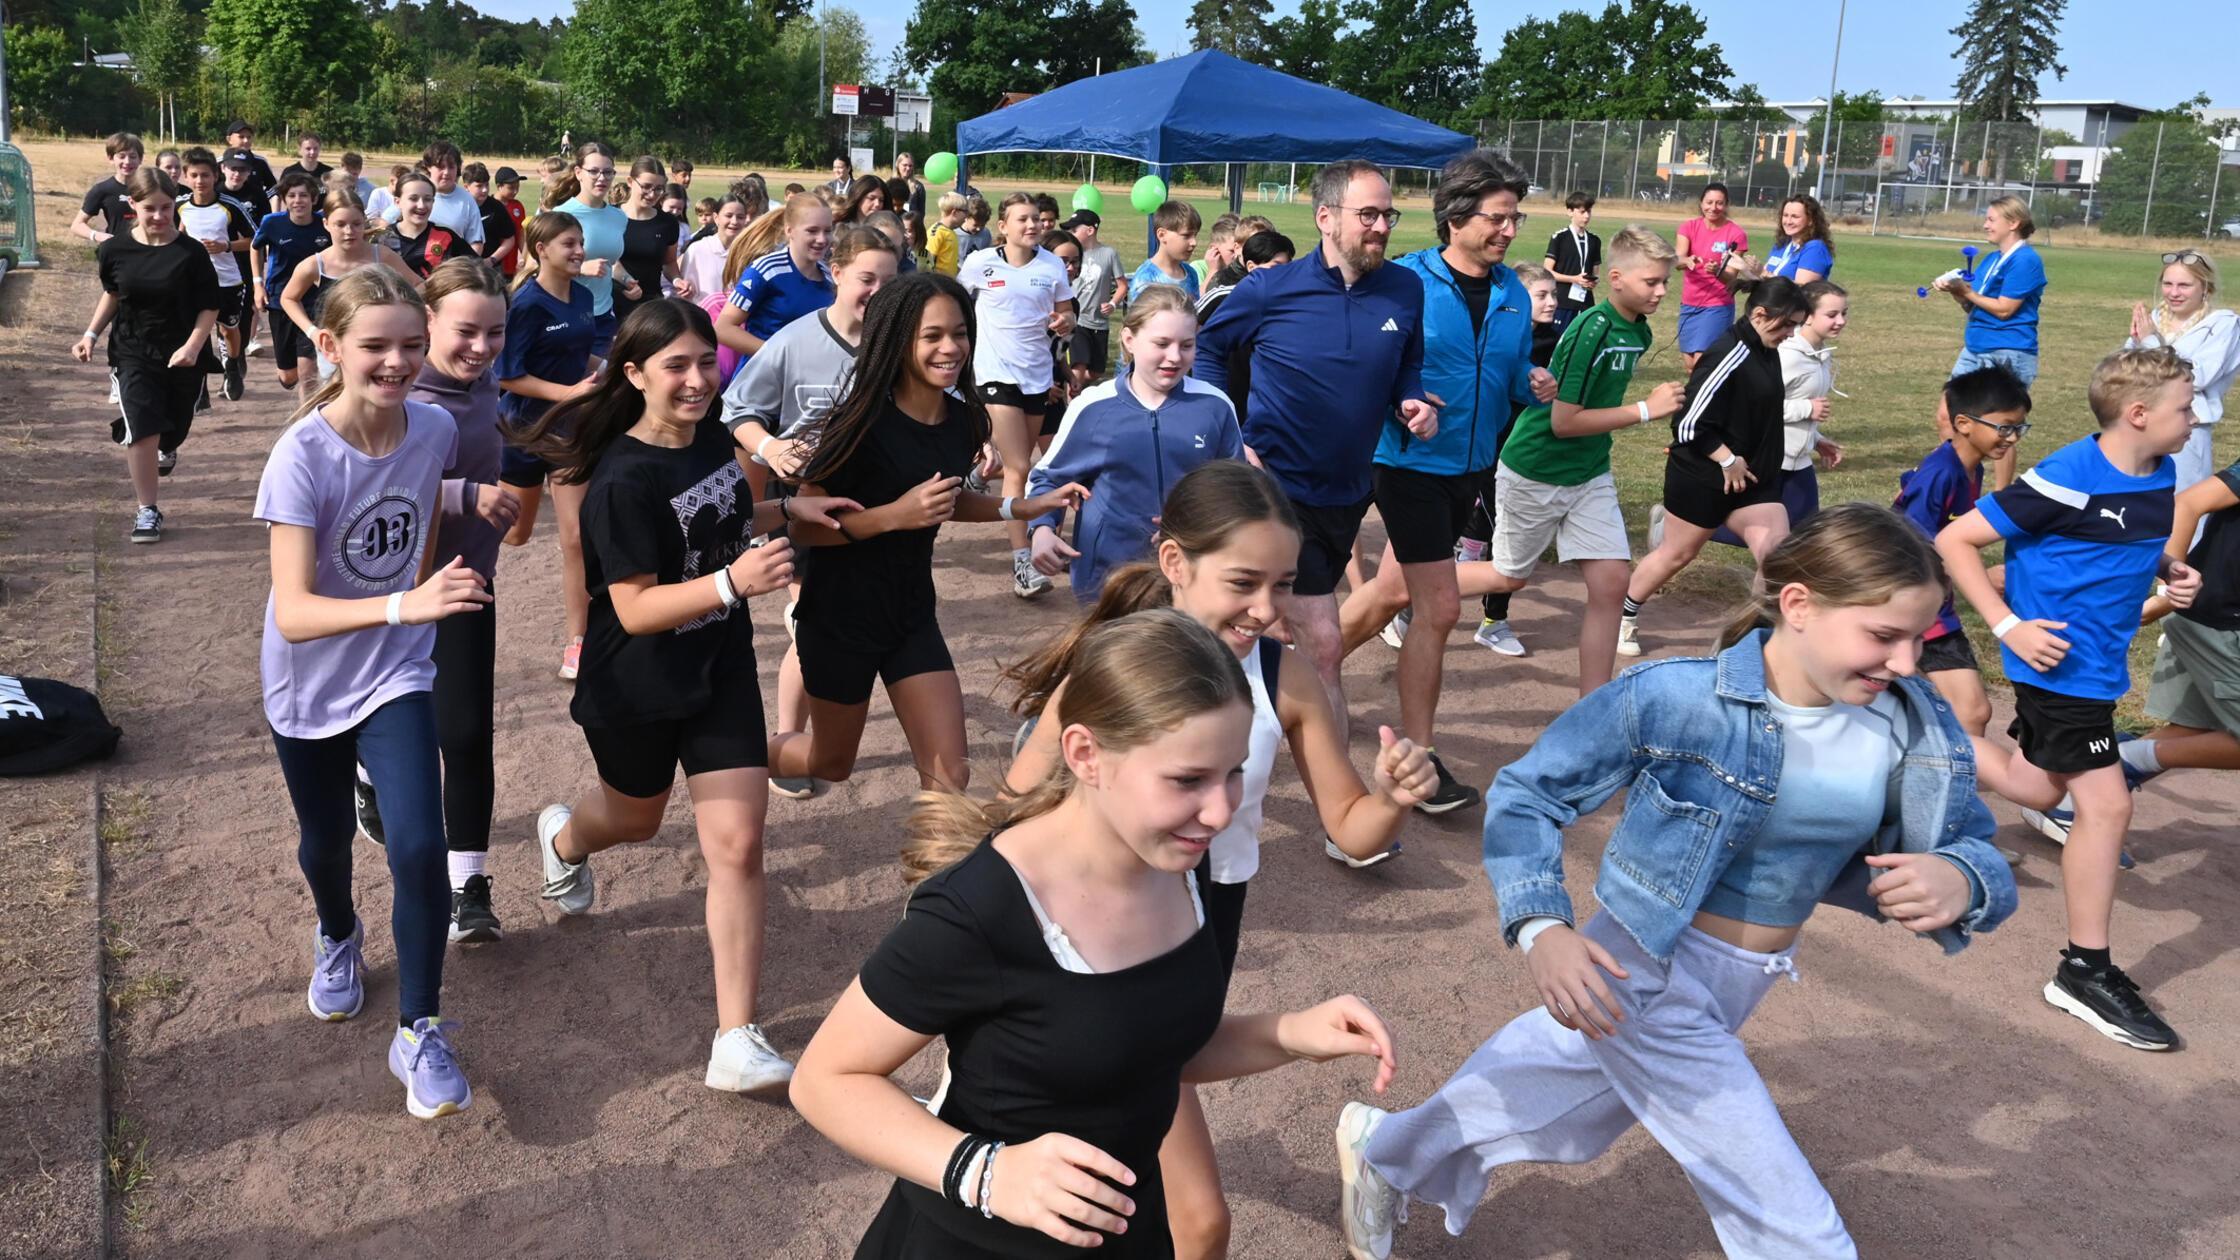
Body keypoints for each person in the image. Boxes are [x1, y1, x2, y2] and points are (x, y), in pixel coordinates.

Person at [1335, 503, 2017, 1260]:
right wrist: (1543, 930)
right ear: (1798, 605)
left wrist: (1961, 877)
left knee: (1559, 1099)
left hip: (1741, 980)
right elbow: (1529, 794)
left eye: (1917, 640)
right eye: (1884, 636)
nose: (1906, 663)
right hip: (1645, 973)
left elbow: (1974, 845)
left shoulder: (1911, 721)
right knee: (1788, 1219)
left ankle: (1384, 1151)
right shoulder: (1678, 698)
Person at [791, 606, 1400, 1259]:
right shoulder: (983, 907)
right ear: (1085, 754)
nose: (1221, 810)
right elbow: (825, 1078)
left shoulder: (1178, 862)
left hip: (1127, 1234)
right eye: (1188, 779)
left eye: (1234, 772)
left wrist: (1289, 1034)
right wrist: (988, 1173)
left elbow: (1146, 1048)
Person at [1007, 467, 1437, 1258]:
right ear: (1175, 563)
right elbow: (1016, 803)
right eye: (1243, 582)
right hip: (1092, 934)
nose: (1267, 608)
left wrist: (1393, 796)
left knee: (1166, 1203)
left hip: (1200, 933)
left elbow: (1352, 827)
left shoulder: (1281, 674)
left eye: (1283, 584)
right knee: (1191, 1220)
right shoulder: (1114, 668)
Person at [524, 298, 855, 1093]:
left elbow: (718, 520)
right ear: (634, 374)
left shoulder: (710, 437)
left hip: (717, 669)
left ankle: (735, 1038)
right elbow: (635, 608)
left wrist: (786, 509)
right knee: (633, 820)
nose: (698, 379)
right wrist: (734, 582)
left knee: (738, 845)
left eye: (706, 362)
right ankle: (565, 840)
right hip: (634, 683)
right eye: (676, 366)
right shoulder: (620, 479)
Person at [254, 266, 492, 1119]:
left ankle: (418, 1028)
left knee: (420, 848)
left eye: (411, 346)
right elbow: (293, 613)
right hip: (309, 681)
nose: (397, 362)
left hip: (396, 670)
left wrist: (468, 494)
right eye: (375, 347)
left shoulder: (434, 426)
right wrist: (406, 602)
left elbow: (415, 495)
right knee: (324, 845)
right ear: (330, 346)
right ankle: (338, 933)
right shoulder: (299, 456)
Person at [1937, 347, 2200, 1052]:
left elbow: (2125, 540)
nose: (2196, 417)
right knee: (2107, 806)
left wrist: (2169, 568)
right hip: (2056, 666)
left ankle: (1914, 734)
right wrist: (2008, 627)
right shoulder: (2067, 477)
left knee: (2035, 785)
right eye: (2185, 406)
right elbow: (1956, 540)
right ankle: (2084, 971)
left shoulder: (2161, 469)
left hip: (2097, 667)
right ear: (2138, 414)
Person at [766, 273, 1086, 794]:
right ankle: (732, 758)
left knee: (950, 775)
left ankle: (936, 856)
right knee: (831, 762)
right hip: (840, 621)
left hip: (911, 616)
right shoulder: (856, 425)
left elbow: (945, 502)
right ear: (897, 340)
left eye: (959, 333)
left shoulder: (963, 420)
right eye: (932, 336)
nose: (951, 347)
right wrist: (893, 515)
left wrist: (1021, 506)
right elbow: (805, 528)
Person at [1334, 149, 1557, 814]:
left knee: (1389, 593)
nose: (1509, 230)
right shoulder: (1404, 282)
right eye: (1497, 218)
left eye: (1515, 218)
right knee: (1439, 609)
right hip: (1408, 464)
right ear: (1456, 217)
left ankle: (1289, 670)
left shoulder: (1513, 293)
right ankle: (1419, 756)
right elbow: (1363, 367)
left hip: (1472, 467)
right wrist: (1403, 406)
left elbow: (1508, 376)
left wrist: (1532, 383)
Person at [1195, 160, 1436, 728]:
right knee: (1324, 641)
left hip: (1349, 493)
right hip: (1276, 491)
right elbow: (1207, 350)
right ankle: (1333, 785)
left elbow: (1408, 364)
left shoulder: (1404, 288)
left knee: (1268, 629)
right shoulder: (1270, 289)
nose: (1381, 227)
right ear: (1325, 218)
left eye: (1389, 215)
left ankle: (1226, 713)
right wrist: (1228, 432)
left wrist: (1412, 401)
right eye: (1368, 215)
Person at [343, 260, 523, 942]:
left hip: (467, 582)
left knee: (468, 734)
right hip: (390, 593)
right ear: (428, 320)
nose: (481, 347)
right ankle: (365, 769)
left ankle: (467, 888)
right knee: (401, 725)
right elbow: (365, 486)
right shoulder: (399, 393)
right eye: (466, 332)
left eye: (495, 333)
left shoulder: (485, 386)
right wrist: (463, 495)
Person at [1450, 224, 1682, 695]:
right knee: (1508, 576)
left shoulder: (1638, 330)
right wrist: (1645, 410)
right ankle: (1406, 588)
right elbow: (1563, 421)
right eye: (1651, 282)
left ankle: (1593, 706)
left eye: (1664, 282)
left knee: (1612, 583)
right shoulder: (1591, 328)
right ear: (1615, 279)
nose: (1661, 292)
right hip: (1536, 469)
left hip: (1589, 472)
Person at [721, 227, 900, 779]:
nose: (877, 292)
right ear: (837, 274)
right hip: (807, 504)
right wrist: (771, 448)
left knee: (851, 620)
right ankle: (788, 738)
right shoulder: (795, 340)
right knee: (811, 625)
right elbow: (738, 409)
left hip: (878, 508)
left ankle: (800, 739)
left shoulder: (901, 343)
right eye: (866, 278)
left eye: (889, 282)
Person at [1617, 277, 1813, 658]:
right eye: (1788, 324)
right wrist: (1727, 459)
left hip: (1752, 480)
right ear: (1760, 315)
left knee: (1777, 557)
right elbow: (1687, 424)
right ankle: (1624, 614)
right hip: (1702, 476)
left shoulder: (1766, 347)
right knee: (1677, 555)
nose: (1791, 333)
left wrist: (1816, 440)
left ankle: (1749, 641)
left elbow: (1761, 410)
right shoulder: (1728, 353)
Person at [1025, 286, 1240, 602]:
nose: (1175, 356)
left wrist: (1198, 527)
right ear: (1129, 340)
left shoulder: (1215, 406)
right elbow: (1047, 479)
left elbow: (1237, 489)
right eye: (1161, 344)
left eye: (1187, 345)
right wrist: (1042, 530)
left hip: (1194, 579)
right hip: (1108, 581)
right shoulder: (1093, 407)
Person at [70, 167, 219, 543]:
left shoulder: (191, 253)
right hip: (133, 351)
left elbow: (209, 305)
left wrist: (192, 346)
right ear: (133, 205)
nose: (159, 216)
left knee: (174, 427)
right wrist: (90, 334)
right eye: (150, 208)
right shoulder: (114, 249)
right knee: (142, 427)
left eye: (166, 208)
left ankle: (168, 446)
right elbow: (113, 294)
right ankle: (147, 509)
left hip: (182, 352)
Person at [1891, 365, 2032, 737]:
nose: (2013, 437)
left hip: (1934, 603)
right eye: (2005, 427)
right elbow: (1909, 543)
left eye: (2019, 427)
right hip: (1911, 604)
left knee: (1971, 711)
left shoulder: (1969, 469)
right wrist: (1978, 576)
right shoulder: (1943, 473)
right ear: (1964, 424)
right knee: (1970, 711)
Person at [498, 211, 603, 681]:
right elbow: (507, 375)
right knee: (515, 534)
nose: (579, 251)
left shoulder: (583, 297)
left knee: (575, 537)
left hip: (570, 432)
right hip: (522, 431)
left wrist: (614, 367)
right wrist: (568, 393)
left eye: (580, 242)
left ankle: (578, 642)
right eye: (569, 244)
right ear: (541, 250)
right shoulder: (525, 304)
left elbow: (579, 354)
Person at [958, 194, 1079, 600]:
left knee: (1018, 467)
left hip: (1036, 377)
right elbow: (955, 303)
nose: (1032, 225)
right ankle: (1023, 564)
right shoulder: (980, 263)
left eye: (1036, 219)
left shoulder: (1052, 265)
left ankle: (977, 476)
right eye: (1022, 219)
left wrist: (1065, 321)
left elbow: (1067, 313)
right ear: (1003, 226)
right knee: (1019, 467)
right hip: (994, 373)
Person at [1454, 261, 1560, 657]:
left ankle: (1475, 598)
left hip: (1526, 452)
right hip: (1487, 447)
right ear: (1518, 298)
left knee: (1499, 526)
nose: (1552, 302)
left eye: (1554, 294)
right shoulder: (1497, 334)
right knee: (1505, 532)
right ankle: (1490, 620)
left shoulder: (1554, 341)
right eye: (1541, 295)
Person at [1698, 279, 1850, 550]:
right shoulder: (1787, 354)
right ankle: (1682, 527)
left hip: (1799, 461)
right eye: (1831, 314)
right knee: (1767, 534)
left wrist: (1816, 440)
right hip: (1771, 459)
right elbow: (1755, 406)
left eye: (1844, 313)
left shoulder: (1820, 354)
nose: (1841, 321)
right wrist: (1806, 409)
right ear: (1808, 316)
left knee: (1803, 535)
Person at [1938, 195, 2046, 489]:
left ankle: (2001, 495)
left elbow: (2005, 309)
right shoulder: (1991, 259)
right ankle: (1957, 483)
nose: (1985, 225)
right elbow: (1974, 306)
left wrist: (1967, 292)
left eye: (1991, 219)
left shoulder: (2026, 260)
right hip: (1975, 347)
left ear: (2014, 223)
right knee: (1948, 416)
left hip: (2009, 350)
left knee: (2001, 427)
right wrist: (1958, 293)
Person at [278, 190, 423, 394]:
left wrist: (407, 317)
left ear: (364, 222)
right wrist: (312, 332)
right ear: (326, 224)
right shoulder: (315, 265)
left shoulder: (382, 256)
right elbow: (288, 298)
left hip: (378, 346)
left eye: (356, 224)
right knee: (334, 400)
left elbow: (418, 285)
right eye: (340, 224)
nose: (349, 231)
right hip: (335, 349)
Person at [2124, 249, 2240, 491]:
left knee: (2181, 502)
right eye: (2168, 284)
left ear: (2205, 287)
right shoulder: (2155, 318)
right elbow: (2126, 371)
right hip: (2141, 425)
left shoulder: (2224, 324)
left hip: (2186, 433)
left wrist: (2149, 343)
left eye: (2184, 285)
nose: (2174, 293)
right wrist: (2136, 344)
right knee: (2136, 500)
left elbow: (2196, 377)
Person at [176, 147, 258, 404]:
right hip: (193, 282)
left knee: (228, 329)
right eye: (194, 175)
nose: (200, 181)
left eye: (205, 175)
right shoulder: (180, 206)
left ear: (215, 176)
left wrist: (226, 246)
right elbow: (176, 235)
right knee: (196, 334)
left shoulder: (229, 205)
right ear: (186, 176)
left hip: (228, 280)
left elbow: (256, 240)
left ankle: (232, 366)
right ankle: (200, 387)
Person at [715, 193, 835, 363]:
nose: (822, 239)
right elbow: (723, 328)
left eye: (827, 231)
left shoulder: (831, 279)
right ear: (789, 230)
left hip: (808, 377)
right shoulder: (766, 271)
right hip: (763, 375)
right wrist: (780, 356)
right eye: (812, 231)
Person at [249, 172, 333, 403]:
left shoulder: (324, 224)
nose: (298, 201)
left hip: (315, 302)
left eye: (303, 195)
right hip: (280, 300)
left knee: (308, 373)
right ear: (284, 199)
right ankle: (290, 376)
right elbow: (255, 248)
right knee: (289, 376)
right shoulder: (272, 223)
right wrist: (258, 284)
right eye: (292, 195)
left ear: (313, 199)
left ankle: (308, 417)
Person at [1674, 183, 1750, 371]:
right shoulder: (1688, 227)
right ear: (1701, 203)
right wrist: (1687, 260)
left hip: (1717, 305)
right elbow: (1677, 260)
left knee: (1702, 362)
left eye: (1719, 203)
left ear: (1726, 205)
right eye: (1709, 202)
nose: (1713, 208)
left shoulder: (1736, 234)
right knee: (1690, 365)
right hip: (1689, 303)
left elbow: (1731, 277)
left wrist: (1717, 272)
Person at [615, 156, 688, 322]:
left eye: (659, 189)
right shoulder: (611, 217)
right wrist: (624, 281)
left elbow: (669, 262)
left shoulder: (668, 223)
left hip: (651, 307)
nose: (652, 194)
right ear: (630, 182)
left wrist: (677, 280)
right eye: (646, 186)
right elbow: (603, 261)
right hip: (611, 304)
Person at [1064, 209, 1128, 390]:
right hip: (1077, 320)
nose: (1071, 234)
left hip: (1099, 323)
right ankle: (1072, 399)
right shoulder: (1071, 254)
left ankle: (1070, 387)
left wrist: (1113, 303)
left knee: (1096, 371)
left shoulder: (1109, 254)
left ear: (1090, 230)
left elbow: (1122, 285)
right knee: (1078, 366)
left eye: (1074, 230)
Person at [383, 171, 477, 281]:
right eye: (413, 198)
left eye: (427, 199)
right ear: (397, 202)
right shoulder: (383, 239)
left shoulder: (446, 237)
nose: (421, 205)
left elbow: (478, 268)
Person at [71, 131, 144, 245]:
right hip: (116, 250)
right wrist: (98, 236)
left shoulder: (149, 188)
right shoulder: (102, 190)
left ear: (140, 159)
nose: (127, 161)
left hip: (145, 250)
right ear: (111, 158)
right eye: (122, 156)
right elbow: (77, 225)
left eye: (133, 156)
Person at [1541, 190, 1600, 330]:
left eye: (1589, 211)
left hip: (1586, 303)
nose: (1586, 216)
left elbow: (1596, 273)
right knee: (1558, 338)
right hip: (1563, 302)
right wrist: (1574, 279)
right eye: (1582, 212)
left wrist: (1593, 282)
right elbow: (1547, 271)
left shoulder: (1594, 240)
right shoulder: (1559, 238)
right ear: (1570, 212)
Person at [681, 191, 752, 305]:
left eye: (740, 217)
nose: (734, 221)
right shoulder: (697, 250)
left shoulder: (750, 253)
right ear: (716, 218)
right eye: (728, 216)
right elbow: (685, 296)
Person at [419, 141, 486, 252]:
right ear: (428, 167)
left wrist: (467, 262)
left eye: (451, 167)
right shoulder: (414, 193)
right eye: (441, 167)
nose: (446, 172)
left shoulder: (467, 200)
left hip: (454, 261)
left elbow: (476, 243)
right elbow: (390, 225)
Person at [1131, 201, 1203, 301]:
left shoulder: (1191, 274)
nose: (1194, 242)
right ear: (1162, 235)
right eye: (1186, 235)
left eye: (1195, 235)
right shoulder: (1146, 278)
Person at [1757, 194, 1834, 283]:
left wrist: (1764, 273)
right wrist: (1747, 269)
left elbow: (1802, 287)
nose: (1788, 221)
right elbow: (1764, 281)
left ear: (1810, 220)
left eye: (1795, 217)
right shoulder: (1782, 245)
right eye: (1785, 215)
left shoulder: (1815, 248)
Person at [463, 162, 521, 277]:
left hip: (491, 269)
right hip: (462, 268)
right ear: (466, 187)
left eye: (486, 185)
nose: (485, 190)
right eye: (479, 186)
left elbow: (509, 239)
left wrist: (492, 260)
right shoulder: (459, 206)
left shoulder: (496, 207)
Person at [221, 120, 278, 211]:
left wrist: (273, 214)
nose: (246, 140)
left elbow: (273, 189)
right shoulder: (219, 163)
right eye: (241, 137)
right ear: (229, 139)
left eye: (249, 137)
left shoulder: (260, 162)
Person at [274, 132, 333, 211]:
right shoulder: (290, 172)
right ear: (300, 149)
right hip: (295, 216)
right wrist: (275, 216)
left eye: (315, 148)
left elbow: (337, 198)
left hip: (322, 217)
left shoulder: (329, 172)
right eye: (308, 149)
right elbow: (277, 196)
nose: (312, 152)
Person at [928, 193, 968, 276]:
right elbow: (927, 262)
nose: (967, 216)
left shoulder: (951, 232)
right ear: (955, 212)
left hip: (949, 282)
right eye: (965, 211)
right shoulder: (937, 232)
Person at [893, 150, 927, 220]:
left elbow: (921, 212)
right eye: (905, 165)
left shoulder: (918, 187)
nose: (908, 168)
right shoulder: (891, 184)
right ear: (898, 165)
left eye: (910, 166)